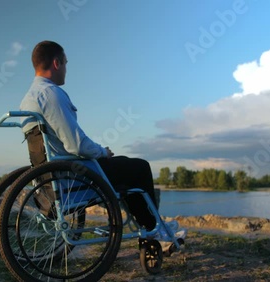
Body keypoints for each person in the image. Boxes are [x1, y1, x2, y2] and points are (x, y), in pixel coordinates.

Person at [19, 41, 182, 241]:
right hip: (74, 175)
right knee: (139, 167)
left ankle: (148, 225)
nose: (66, 70)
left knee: (123, 167)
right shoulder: (51, 94)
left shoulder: (28, 99)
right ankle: (153, 229)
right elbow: (76, 145)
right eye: (66, 63)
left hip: (53, 175)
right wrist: (103, 151)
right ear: (56, 63)